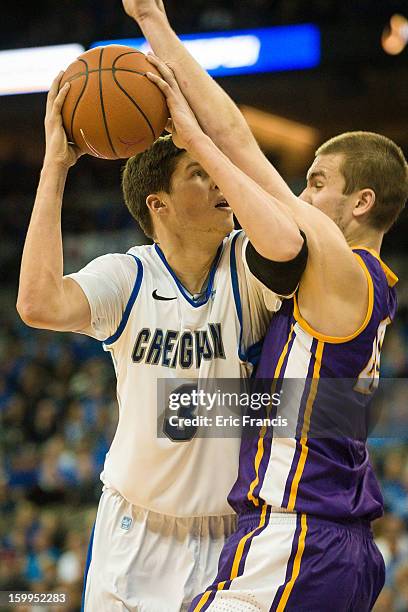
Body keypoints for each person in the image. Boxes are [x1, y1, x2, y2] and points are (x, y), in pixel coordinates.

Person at [123, 0, 408, 609]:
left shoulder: (341, 266)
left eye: (317, 182)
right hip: (325, 544)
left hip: (298, 541)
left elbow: (238, 142)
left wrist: (156, 28)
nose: (301, 193)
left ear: (360, 203)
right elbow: (307, 408)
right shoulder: (360, 284)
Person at [16, 68, 307, 609]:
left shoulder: (245, 263)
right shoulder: (127, 276)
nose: (221, 183)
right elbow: (36, 304)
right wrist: (56, 165)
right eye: (200, 174)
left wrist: (200, 139)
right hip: (135, 527)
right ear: (159, 203)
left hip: (231, 536)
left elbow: (290, 246)